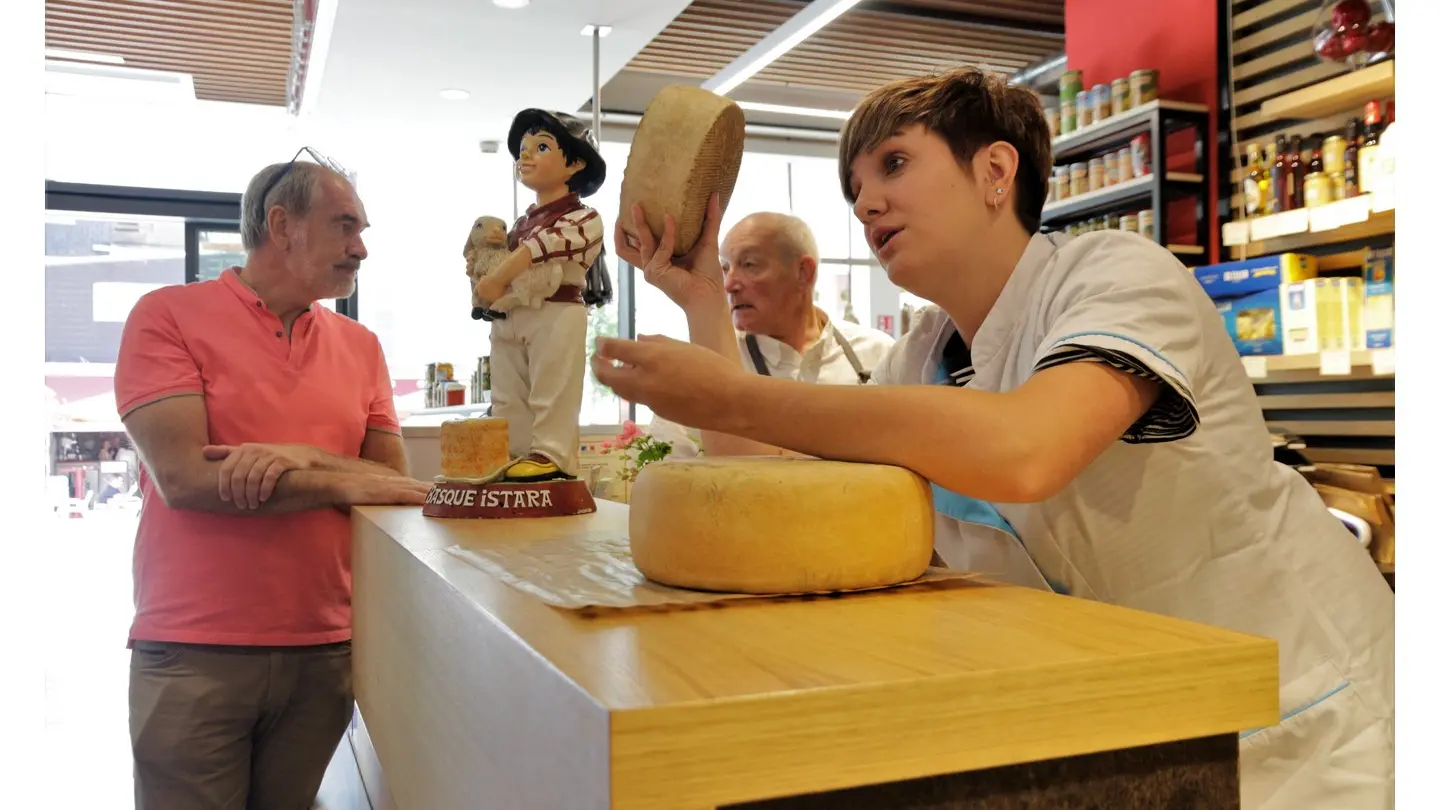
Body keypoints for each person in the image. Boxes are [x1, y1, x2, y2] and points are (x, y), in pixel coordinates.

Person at [595, 68, 1393, 810]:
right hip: (1147, 726)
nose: (866, 203)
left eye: (894, 165)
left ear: (995, 172)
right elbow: (774, 490)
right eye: (854, 187)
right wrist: (703, 300)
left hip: (1315, 715)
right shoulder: (922, 351)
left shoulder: (1115, 272)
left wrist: (740, 395)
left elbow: (1027, 449)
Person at [114, 150, 433, 810]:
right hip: (194, 650)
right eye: (346, 225)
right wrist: (342, 478)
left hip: (324, 654)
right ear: (283, 225)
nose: (361, 248)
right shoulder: (166, 315)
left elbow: (393, 487)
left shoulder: (361, 345)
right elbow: (186, 478)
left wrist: (300, 458)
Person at [646, 211, 894, 458]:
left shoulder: (878, 354)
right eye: (724, 269)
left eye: (749, 265)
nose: (729, 284)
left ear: (804, 272)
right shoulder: (704, 366)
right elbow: (667, 466)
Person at [472, 109, 608, 483]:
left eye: (541, 147)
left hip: (556, 309)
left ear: (575, 163)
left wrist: (498, 277)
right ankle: (514, 452)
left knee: (552, 386)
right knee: (508, 391)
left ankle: (551, 454)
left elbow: (541, 248)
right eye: (523, 149)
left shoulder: (583, 217)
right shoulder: (519, 223)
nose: (526, 156)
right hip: (512, 312)